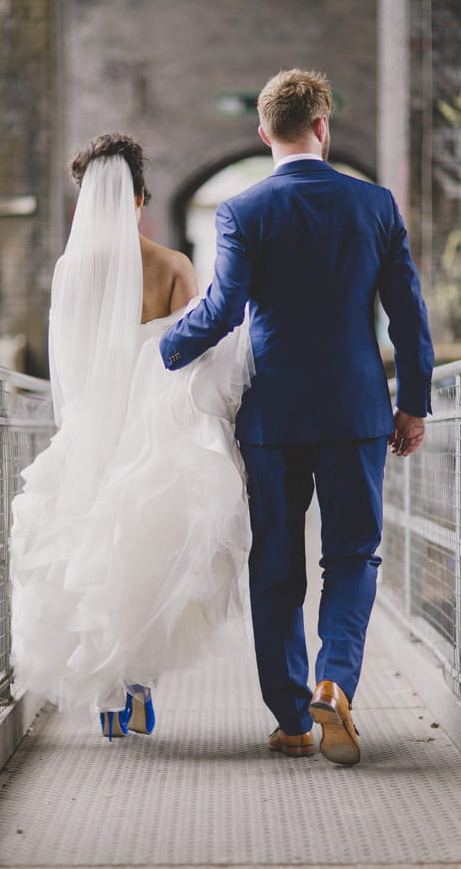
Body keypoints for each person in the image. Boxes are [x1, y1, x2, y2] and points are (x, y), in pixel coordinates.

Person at [160, 69, 434, 765]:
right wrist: (412, 404)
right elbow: (409, 317)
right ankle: (335, 683)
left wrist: (163, 349)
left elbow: (221, 312)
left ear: (264, 133)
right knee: (352, 556)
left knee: (276, 566)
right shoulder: (374, 203)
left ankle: (290, 721)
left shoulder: (242, 209)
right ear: (324, 126)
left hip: (272, 413)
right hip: (355, 408)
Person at [10, 134, 253, 738]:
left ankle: (109, 701)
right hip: (154, 427)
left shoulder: (70, 271)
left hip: (92, 427)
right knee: (144, 558)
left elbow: (65, 366)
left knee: (87, 554)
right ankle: (137, 687)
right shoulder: (173, 266)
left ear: (83, 203)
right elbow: (204, 358)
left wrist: (77, 426)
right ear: (141, 198)